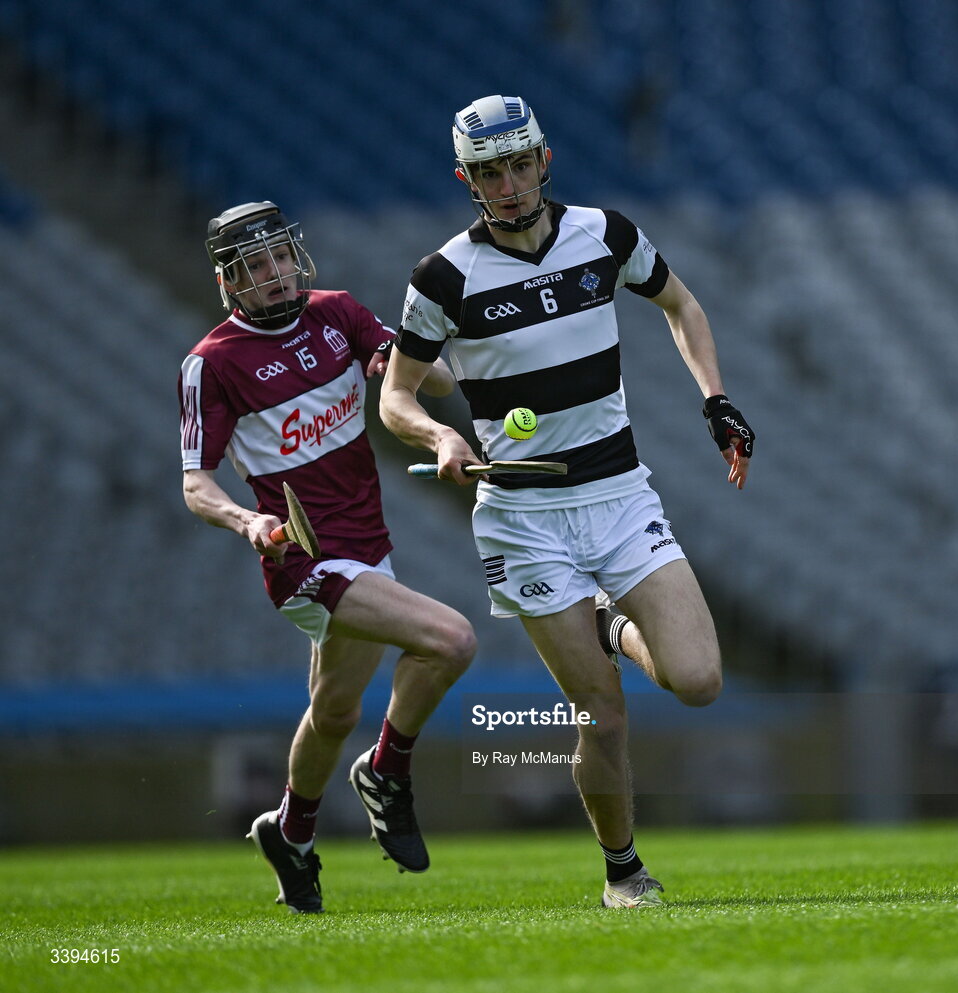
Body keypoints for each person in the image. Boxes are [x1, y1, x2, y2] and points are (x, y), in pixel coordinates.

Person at [379, 96, 755, 908]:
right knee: (603, 714)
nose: (508, 184)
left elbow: (681, 305)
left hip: (620, 495)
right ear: (466, 179)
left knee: (698, 680)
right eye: (489, 172)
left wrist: (715, 400)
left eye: (519, 165)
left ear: (544, 160)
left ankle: (611, 622)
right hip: (523, 517)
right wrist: (439, 438)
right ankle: (624, 870)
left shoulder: (604, 235)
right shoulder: (442, 276)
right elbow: (397, 398)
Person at [178, 201, 476, 914]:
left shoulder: (338, 312)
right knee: (452, 640)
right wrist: (248, 520)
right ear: (229, 281)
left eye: (281, 255)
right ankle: (387, 772)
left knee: (335, 709)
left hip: (370, 546)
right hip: (303, 559)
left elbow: (423, 383)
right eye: (255, 265)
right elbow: (195, 481)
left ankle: (292, 833)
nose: (275, 273)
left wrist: (411, 357)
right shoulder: (212, 363)